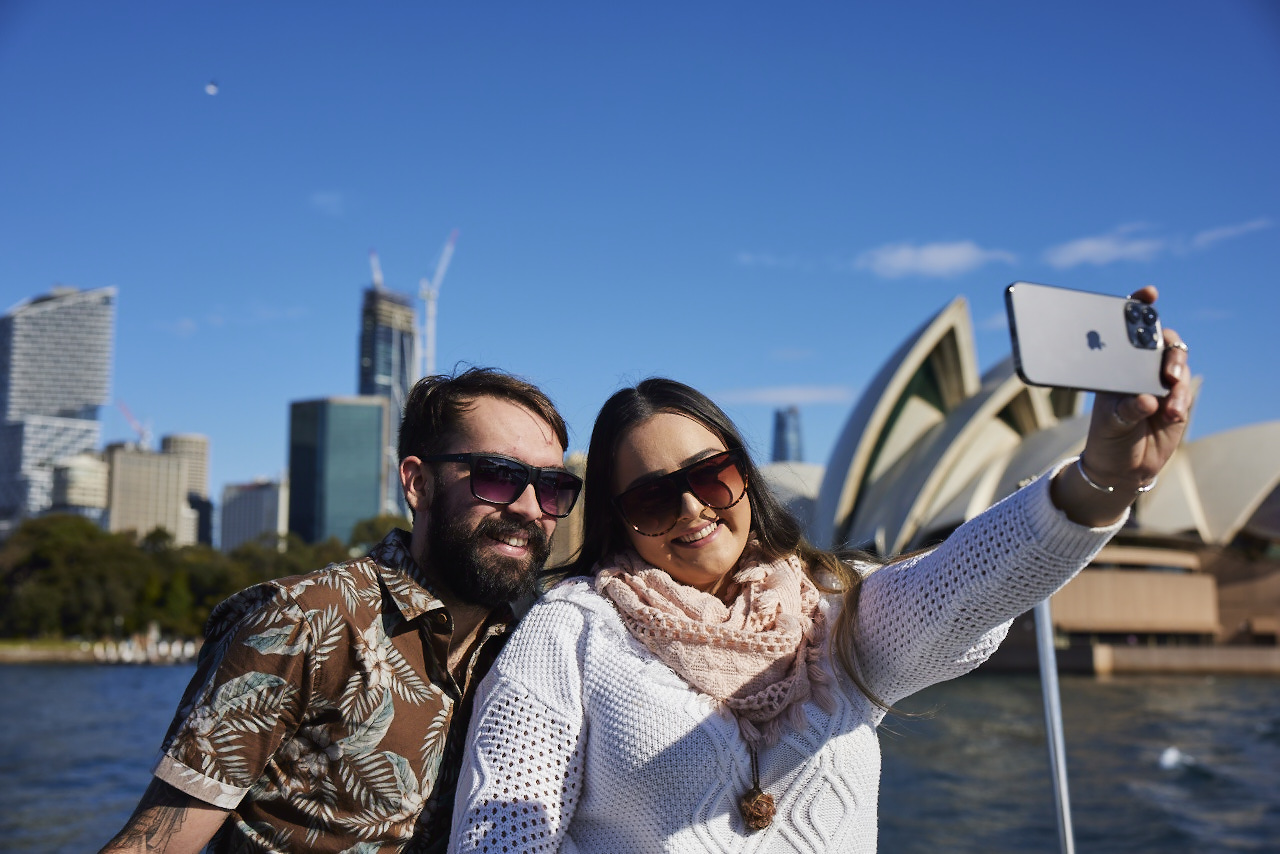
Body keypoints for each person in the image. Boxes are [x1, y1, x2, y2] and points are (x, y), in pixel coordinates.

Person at [447, 291, 1191, 853]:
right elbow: (502, 830)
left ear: (744, 474)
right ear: (617, 517)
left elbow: (967, 583)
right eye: (650, 495)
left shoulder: (831, 611)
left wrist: (1104, 477)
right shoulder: (574, 629)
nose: (690, 508)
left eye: (710, 475)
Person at [100, 367, 582, 854]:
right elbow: (155, 844)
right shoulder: (303, 620)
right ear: (418, 483)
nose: (529, 508)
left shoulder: (529, 650)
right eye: (498, 476)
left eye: (552, 487)